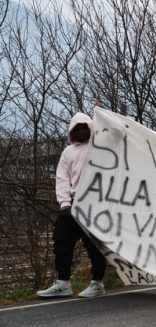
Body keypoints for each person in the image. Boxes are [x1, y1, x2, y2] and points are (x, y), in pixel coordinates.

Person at [37, 113, 109, 299]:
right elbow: (62, 178)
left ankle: (97, 282)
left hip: (94, 201)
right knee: (62, 241)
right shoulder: (68, 152)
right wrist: (64, 203)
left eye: (84, 126)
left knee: (94, 244)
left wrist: (102, 117)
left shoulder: (99, 146)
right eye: (76, 128)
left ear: (90, 127)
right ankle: (63, 283)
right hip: (72, 202)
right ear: (71, 131)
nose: (81, 130)